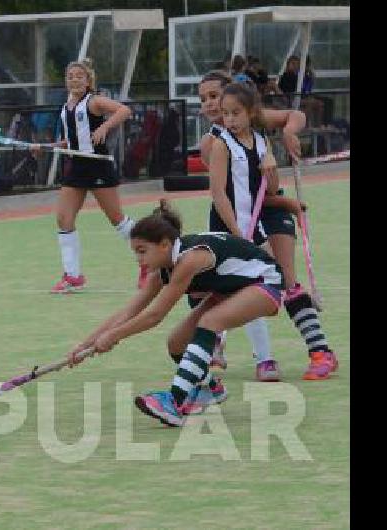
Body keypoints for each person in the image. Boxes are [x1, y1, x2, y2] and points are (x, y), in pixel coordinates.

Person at [67, 201, 284, 427]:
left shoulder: (190, 259)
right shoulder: (161, 271)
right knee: (177, 343)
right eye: (136, 253)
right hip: (230, 290)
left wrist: (114, 336)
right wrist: (85, 344)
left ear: (164, 245)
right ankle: (209, 389)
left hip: (266, 283)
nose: (139, 259)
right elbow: (129, 311)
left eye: (142, 251)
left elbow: (155, 315)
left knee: (209, 321)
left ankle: (175, 401)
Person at [198, 73, 338, 381]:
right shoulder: (213, 143)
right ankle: (230, 348)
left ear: (243, 106)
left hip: (266, 211)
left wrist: (285, 138)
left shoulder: (258, 131)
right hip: (243, 218)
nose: (210, 105)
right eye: (204, 100)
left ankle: (320, 351)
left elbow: (294, 118)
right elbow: (229, 192)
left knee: (284, 280)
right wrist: (240, 231)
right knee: (245, 286)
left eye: (214, 97)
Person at [44, 59, 141, 294]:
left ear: (88, 81)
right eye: (70, 76)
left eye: (80, 76)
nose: (75, 79)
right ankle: (73, 276)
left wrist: (106, 127)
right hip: (76, 167)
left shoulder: (94, 101)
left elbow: (124, 110)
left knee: (118, 220)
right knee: (63, 219)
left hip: (98, 166)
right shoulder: (66, 106)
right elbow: (72, 141)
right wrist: (48, 146)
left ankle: (153, 262)